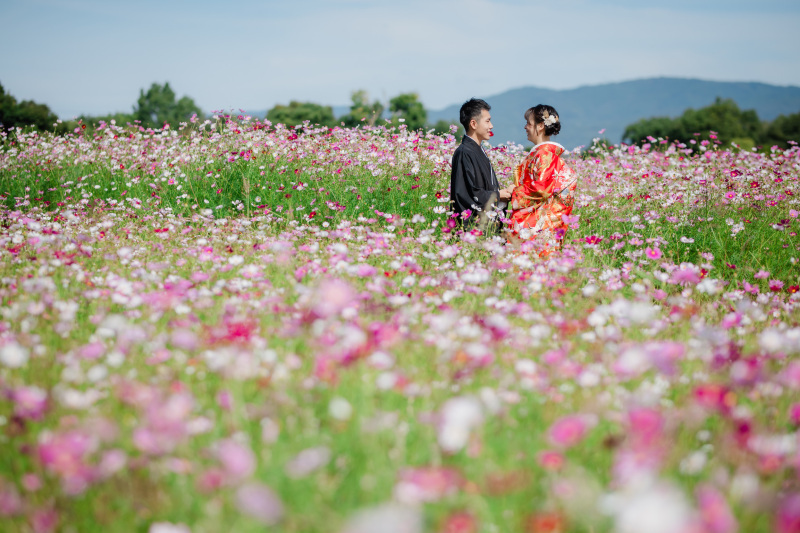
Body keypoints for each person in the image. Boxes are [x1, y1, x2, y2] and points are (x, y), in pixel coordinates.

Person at [501, 104, 577, 255]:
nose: (525, 127)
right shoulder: (544, 154)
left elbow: (541, 190)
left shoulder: (544, 155)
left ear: (541, 126)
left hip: (539, 225)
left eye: (529, 123)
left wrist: (514, 191)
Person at [449, 98, 511, 233]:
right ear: (473, 124)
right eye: (487, 121)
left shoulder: (477, 150)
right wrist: (498, 195)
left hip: (487, 227)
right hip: (474, 231)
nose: (491, 126)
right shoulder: (464, 152)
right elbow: (467, 194)